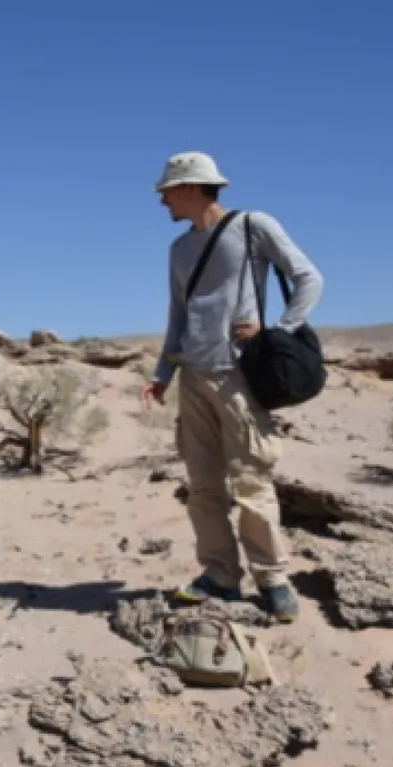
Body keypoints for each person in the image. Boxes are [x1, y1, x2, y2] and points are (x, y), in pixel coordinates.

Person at [140, 152, 324, 622]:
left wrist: (278, 328)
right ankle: (220, 574)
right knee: (203, 487)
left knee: (251, 481)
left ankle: (273, 579)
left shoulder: (252, 225)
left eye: (168, 191)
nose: (162, 201)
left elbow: (309, 278)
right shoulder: (178, 250)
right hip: (193, 377)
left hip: (238, 373)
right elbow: (177, 315)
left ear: (193, 187)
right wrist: (163, 374)